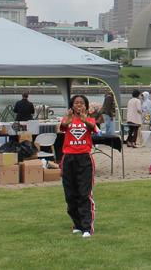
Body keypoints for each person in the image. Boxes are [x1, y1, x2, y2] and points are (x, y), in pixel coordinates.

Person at [60, 95, 97, 237]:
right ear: (72, 106)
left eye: (82, 103)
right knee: (70, 193)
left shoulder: (89, 120)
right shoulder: (67, 120)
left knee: (84, 193)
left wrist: (85, 120)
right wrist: (68, 121)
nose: (79, 105)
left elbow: (94, 128)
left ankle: (87, 227)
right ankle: (77, 224)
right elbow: (63, 126)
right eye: (76, 103)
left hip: (84, 158)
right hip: (69, 158)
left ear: (86, 106)